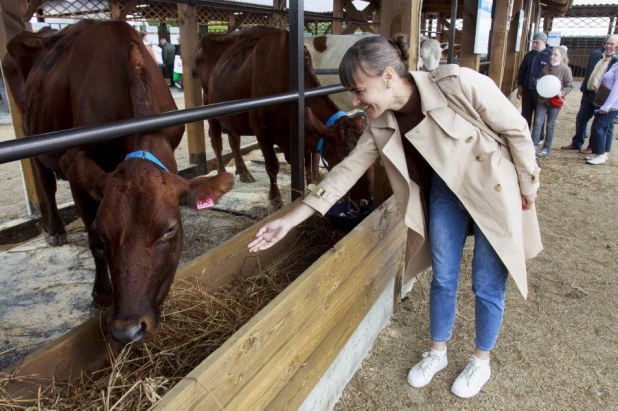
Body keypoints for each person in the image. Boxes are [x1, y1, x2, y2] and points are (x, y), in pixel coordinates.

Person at [248, 35, 542, 399]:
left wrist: (528, 185)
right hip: (446, 195)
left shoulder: (460, 84)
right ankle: (437, 352)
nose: (354, 102)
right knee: (443, 276)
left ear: (387, 76)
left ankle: (481, 360)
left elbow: (516, 129)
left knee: (486, 282)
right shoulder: (381, 122)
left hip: (491, 191)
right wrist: (292, 218)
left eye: (358, 91)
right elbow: (347, 170)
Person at [562, 35, 618, 152]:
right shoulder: (599, 56)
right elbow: (590, 73)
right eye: (607, 43)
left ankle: (593, 147)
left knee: (600, 124)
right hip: (589, 93)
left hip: (603, 97)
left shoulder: (616, 61)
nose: (608, 46)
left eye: (612, 44)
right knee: (581, 119)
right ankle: (577, 143)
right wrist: (584, 88)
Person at [532, 47, 573, 157]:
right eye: (551, 54)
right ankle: (533, 145)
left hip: (554, 101)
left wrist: (562, 92)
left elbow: (569, 85)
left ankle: (546, 147)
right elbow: (540, 80)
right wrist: (538, 83)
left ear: (561, 56)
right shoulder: (546, 68)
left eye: (555, 54)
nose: (552, 56)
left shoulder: (565, 69)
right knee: (537, 122)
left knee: (550, 124)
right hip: (542, 99)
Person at [517, 32, 552, 134]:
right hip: (527, 88)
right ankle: (525, 133)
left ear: (544, 42)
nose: (534, 45)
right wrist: (520, 85)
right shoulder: (529, 55)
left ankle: (539, 136)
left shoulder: (549, 55)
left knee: (539, 115)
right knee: (526, 113)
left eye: (537, 42)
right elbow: (522, 70)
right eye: (534, 43)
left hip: (540, 91)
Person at [585, 63, 618, 165]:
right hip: (609, 104)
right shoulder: (616, 64)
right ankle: (604, 153)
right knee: (607, 128)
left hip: (611, 105)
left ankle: (601, 155)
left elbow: (616, 90)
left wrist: (607, 106)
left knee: (598, 127)